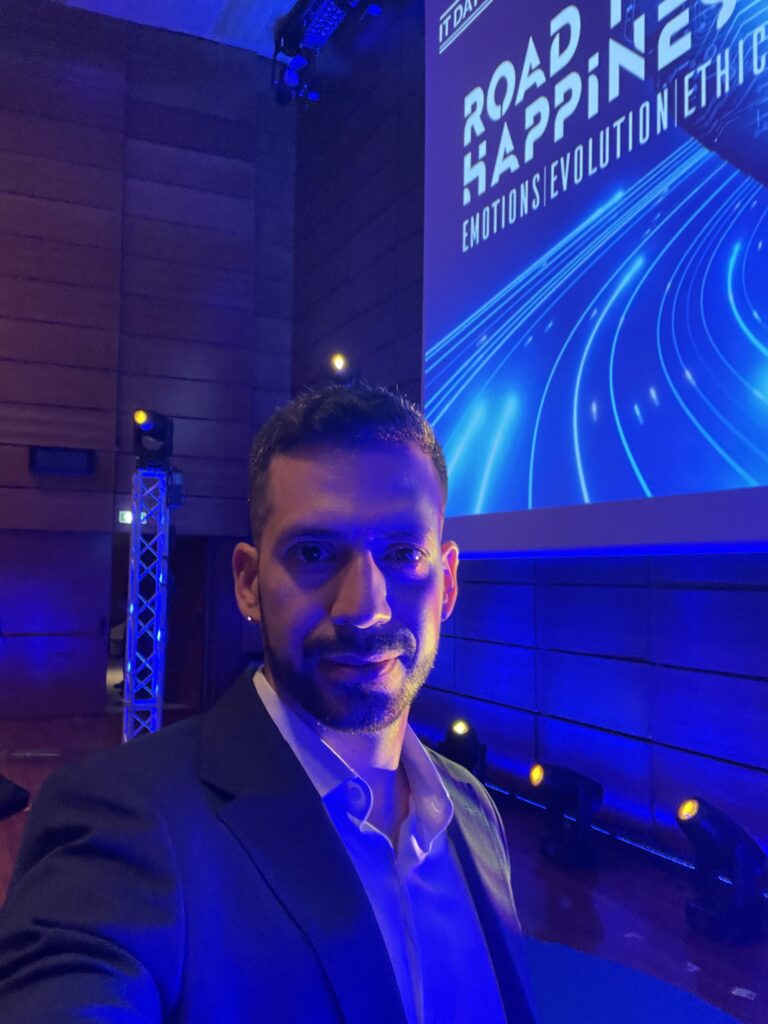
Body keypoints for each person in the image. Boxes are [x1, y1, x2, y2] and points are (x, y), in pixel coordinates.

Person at [0, 382, 537, 1023]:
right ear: (249, 583)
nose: (364, 608)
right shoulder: (125, 822)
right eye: (315, 553)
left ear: (446, 584)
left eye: (402, 554)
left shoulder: (473, 810)